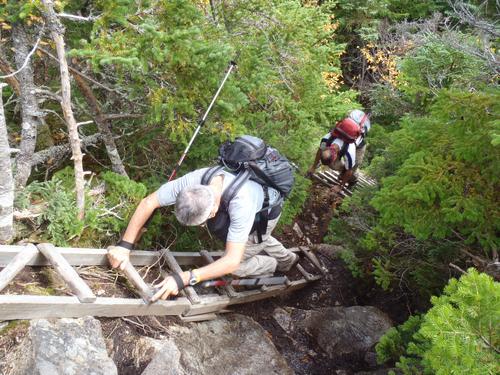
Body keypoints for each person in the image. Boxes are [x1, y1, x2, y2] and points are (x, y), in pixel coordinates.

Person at [107, 167, 298, 302]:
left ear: (213, 210)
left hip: (265, 212)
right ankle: (288, 258)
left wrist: (185, 278)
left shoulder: (241, 205)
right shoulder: (193, 184)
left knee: (239, 263)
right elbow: (148, 203)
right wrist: (125, 246)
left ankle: (274, 263)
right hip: (248, 209)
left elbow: (231, 260)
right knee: (253, 238)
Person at [308, 109, 370, 191]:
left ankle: (353, 180)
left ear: (335, 157)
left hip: (359, 147)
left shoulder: (349, 150)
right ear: (327, 148)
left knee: (351, 168)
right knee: (336, 166)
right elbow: (320, 150)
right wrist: (313, 167)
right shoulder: (327, 139)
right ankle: (342, 174)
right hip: (345, 144)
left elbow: (349, 170)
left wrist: (340, 186)